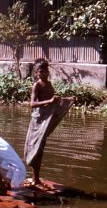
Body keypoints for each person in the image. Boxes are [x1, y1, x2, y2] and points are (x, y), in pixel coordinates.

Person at [24, 58, 74, 188]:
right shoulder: (37, 85)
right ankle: (35, 179)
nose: (43, 73)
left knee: (40, 149)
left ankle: (36, 178)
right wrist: (50, 101)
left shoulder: (49, 84)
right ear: (36, 73)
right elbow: (32, 104)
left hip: (46, 120)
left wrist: (66, 100)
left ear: (48, 71)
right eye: (40, 71)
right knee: (36, 148)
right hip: (38, 121)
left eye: (45, 71)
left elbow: (52, 101)